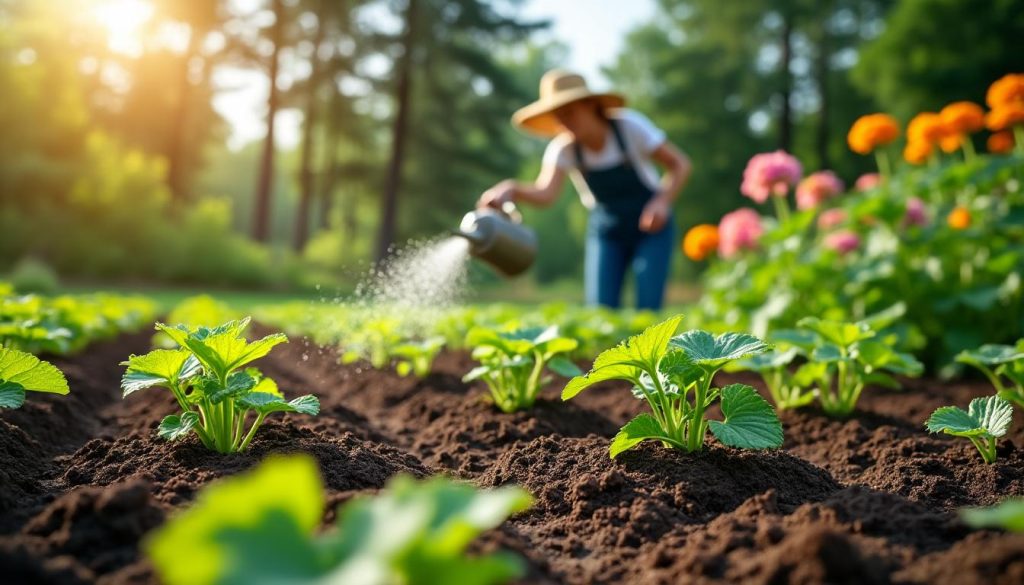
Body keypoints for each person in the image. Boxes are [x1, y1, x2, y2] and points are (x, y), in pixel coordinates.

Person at [478, 69, 691, 310]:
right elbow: (545, 194)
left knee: (649, 306)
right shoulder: (564, 149)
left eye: (569, 112)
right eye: (558, 116)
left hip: (652, 226)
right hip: (607, 229)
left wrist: (661, 202)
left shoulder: (629, 127)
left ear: (590, 104)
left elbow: (680, 165)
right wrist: (512, 188)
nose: (564, 122)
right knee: (601, 310)